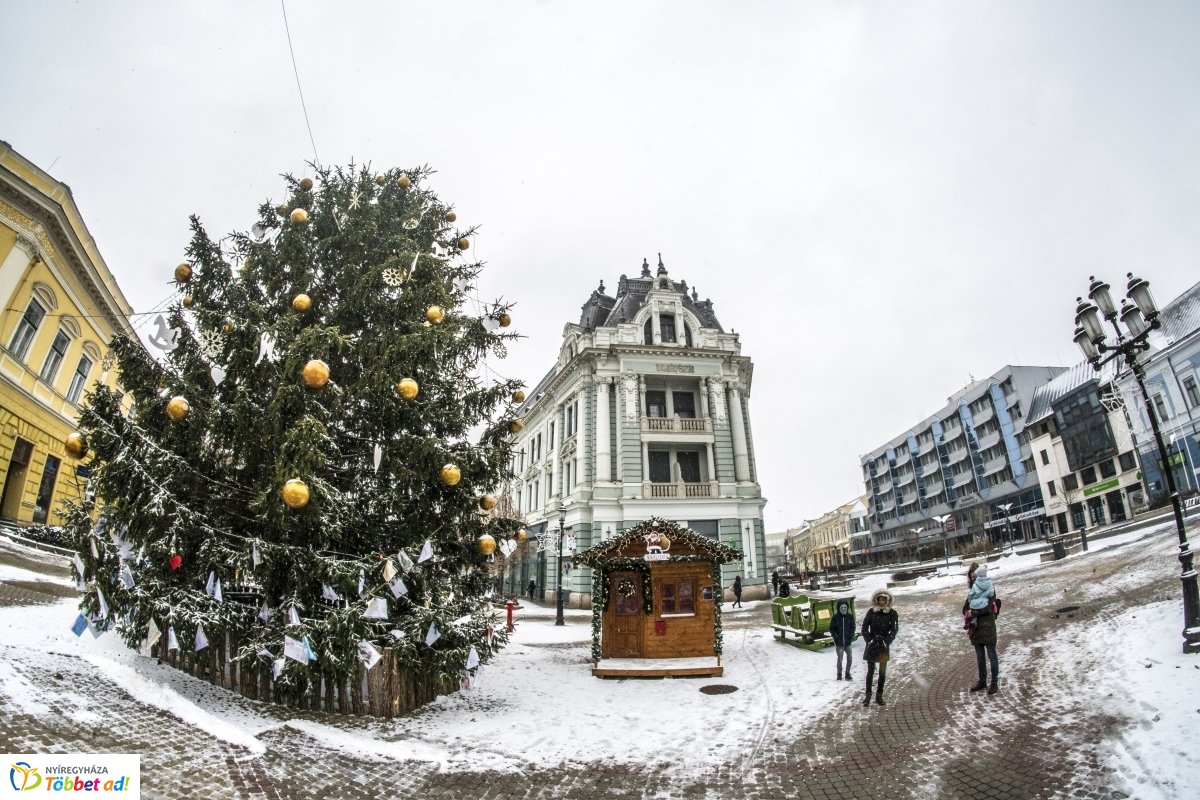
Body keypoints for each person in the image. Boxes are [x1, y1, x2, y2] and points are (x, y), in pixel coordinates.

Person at [964, 563, 1000, 694]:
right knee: (980, 657)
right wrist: (968, 611)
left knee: (992, 656)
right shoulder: (973, 590)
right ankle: (982, 681)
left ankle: (994, 683)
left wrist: (973, 612)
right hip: (977, 629)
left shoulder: (991, 588)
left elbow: (988, 607)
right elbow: (966, 606)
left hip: (988, 626)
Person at [861, 589, 898, 706]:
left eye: (884, 600)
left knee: (882, 672)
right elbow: (864, 628)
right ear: (876, 600)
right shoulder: (871, 612)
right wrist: (869, 639)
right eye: (880, 599)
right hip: (872, 645)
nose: (881, 602)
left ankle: (879, 695)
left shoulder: (892, 613)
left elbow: (894, 629)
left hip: (883, 646)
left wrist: (887, 641)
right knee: (870, 672)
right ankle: (868, 695)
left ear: (887, 600)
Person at [963, 563, 995, 631]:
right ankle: (970, 624)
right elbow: (964, 610)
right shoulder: (989, 586)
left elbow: (988, 609)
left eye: (973, 576)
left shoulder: (975, 589)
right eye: (971, 577)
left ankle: (970, 623)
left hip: (986, 630)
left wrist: (972, 612)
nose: (972, 578)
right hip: (980, 633)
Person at [829, 600, 855, 681]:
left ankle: (847, 673)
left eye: (845, 607)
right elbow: (832, 629)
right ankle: (839, 674)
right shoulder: (835, 618)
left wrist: (850, 635)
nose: (843, 609)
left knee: (850, 658)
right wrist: (836, 638)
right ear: (839, 608)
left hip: (848, 643)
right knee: (840, 659)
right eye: (842, 607)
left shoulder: (850, 617)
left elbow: (853, 627)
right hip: (839, 644)